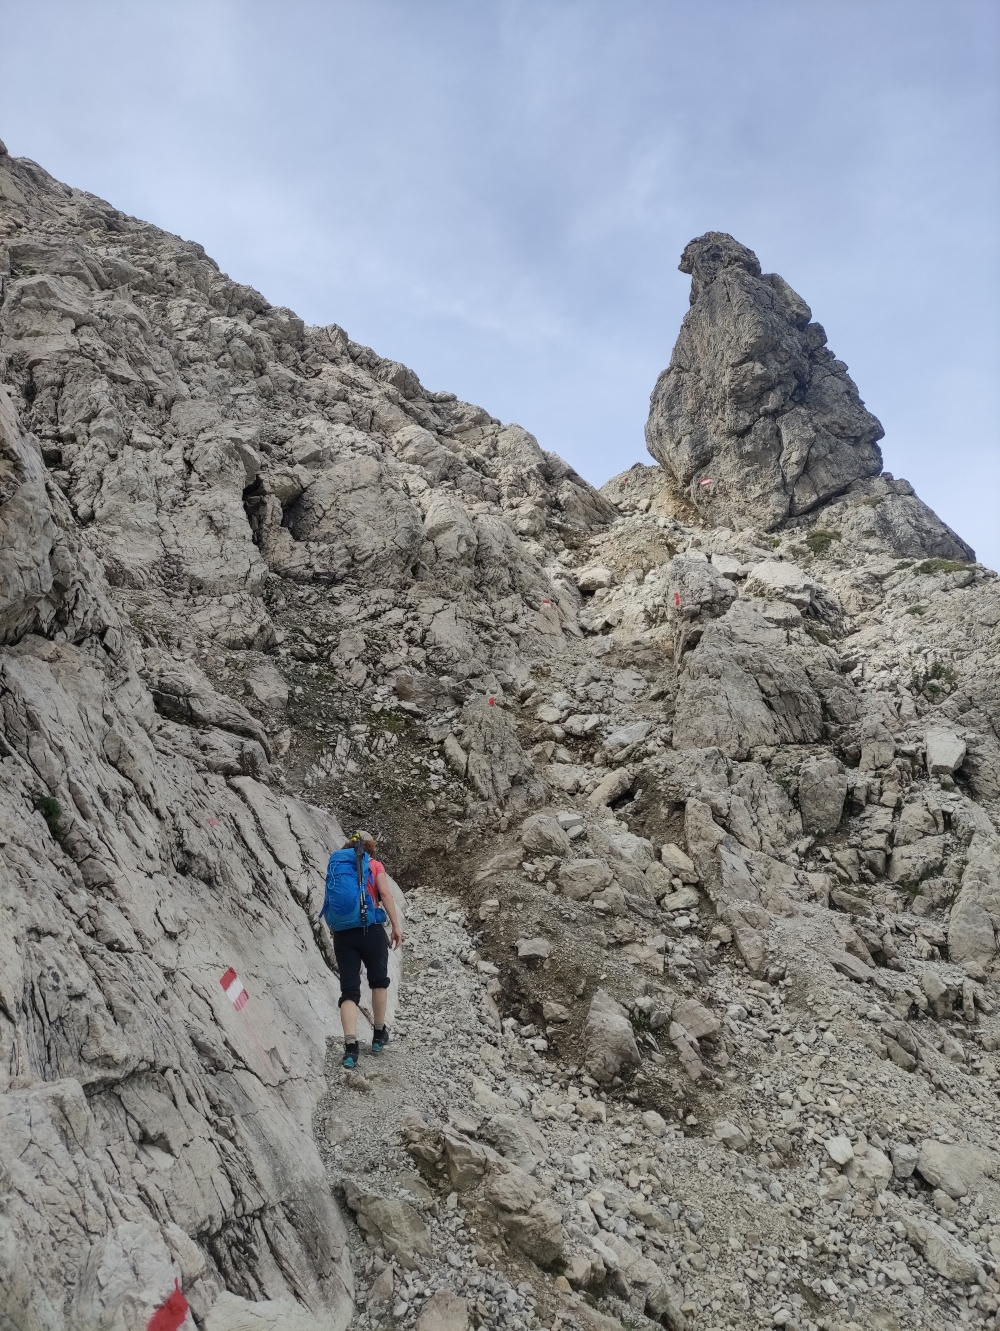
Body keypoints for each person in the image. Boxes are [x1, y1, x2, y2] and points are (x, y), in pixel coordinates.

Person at [327, 831, 403, 1069]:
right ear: (370, 847)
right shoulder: (374, 864)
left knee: (349, 990)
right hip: (371, 930)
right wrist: (396, 926)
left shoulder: (338, 863)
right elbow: (385, 894)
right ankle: (379, 1036)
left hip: (343, 934)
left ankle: (350, 1049)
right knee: (378, 981)